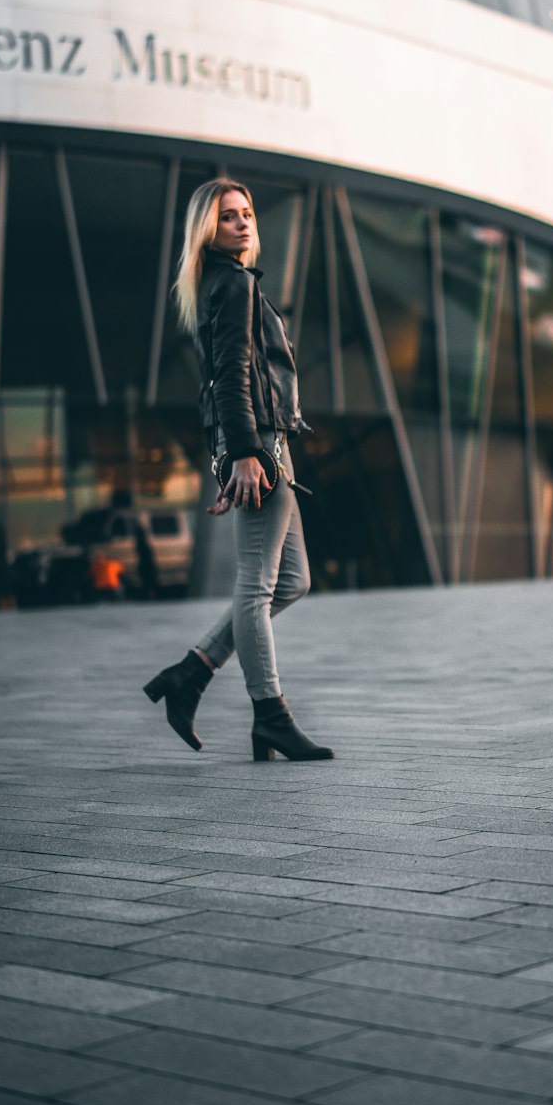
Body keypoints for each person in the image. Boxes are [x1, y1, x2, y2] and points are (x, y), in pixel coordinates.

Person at [143, 179, 333, 763]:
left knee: (292, 579)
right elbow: (227, 376)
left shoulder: (227, 284)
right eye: (230, 217)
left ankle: (191, 673)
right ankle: (270, 715)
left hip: (267, 442)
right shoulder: (233, 284)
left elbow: (224, 381)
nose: (244, 223)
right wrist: (245, 454)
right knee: (256, 584)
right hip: (259, 446)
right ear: (209, 228)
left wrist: (238, 450)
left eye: (248, 214)